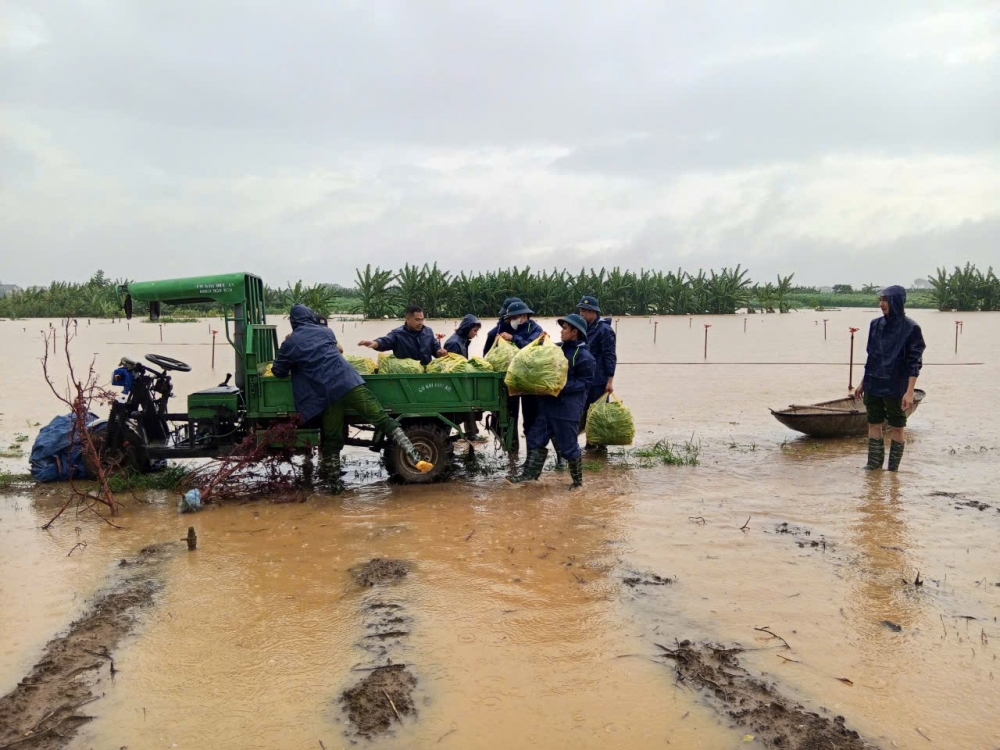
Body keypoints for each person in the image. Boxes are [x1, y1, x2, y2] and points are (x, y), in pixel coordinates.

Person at [272, 304, 432, 493]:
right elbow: (335, 350)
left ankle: (335, 488)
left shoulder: (291, 343)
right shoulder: (327, 333)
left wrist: (290, 351)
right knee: (381, 418)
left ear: (293, 322)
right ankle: (414, 456)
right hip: (349, 382)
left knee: (331, 438)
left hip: (328, 395)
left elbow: (278, 371)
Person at [508, 314, 596, 489]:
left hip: (567, 410)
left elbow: (585, 383)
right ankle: (529, 476)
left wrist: (559, 385)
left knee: (568, 447)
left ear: (575, 332)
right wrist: (541, 341)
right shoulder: (558, 348)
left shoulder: (585, 357)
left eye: (565, 329)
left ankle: (578, 483)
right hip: (548, 406)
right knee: (534, 437)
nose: (561, 332)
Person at [853, 286, 926, 471]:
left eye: (884, 300)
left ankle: (893, 470)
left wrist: (909, 392)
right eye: (880, 300)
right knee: (873, 422)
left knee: (897, 426)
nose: (881, 304)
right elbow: (872, 356)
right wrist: (862, 383)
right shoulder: (875, 324)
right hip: (873, 382)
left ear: (896, 302)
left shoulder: (911, 328)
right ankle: (873, 465)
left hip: (896, 385)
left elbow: (914, 363)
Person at [576, 294, 617, 451]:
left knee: (598, 415)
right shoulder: (583, 328)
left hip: (599, 380)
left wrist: (610, 381)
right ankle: (589, 444)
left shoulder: (605, 331)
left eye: (585, 311)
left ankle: (599, 447)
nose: (582, 314)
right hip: (584, 379)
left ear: (594, 312)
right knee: (584, 412)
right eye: (581, 310)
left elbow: (610, 356)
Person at [444, 314, 487, 442]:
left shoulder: (462, 340)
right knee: (468, 404)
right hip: (453, 382)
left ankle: (471, 433)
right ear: (466, 328)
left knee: (470, 403)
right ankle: (467, 433)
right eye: (474, 331)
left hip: (460, 380)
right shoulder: (454, 343)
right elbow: (453, 367)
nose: (476, 334)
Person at [358, 305, 446, 366]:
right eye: (417, 320)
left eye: (422, 320)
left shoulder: (428, 331)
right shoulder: (398, 334)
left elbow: (435, 349)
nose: (420, 323)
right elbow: (386, 341)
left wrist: (439, 352)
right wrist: (375, 343)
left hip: (426, 373)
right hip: (407, 375)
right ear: (407, 319)